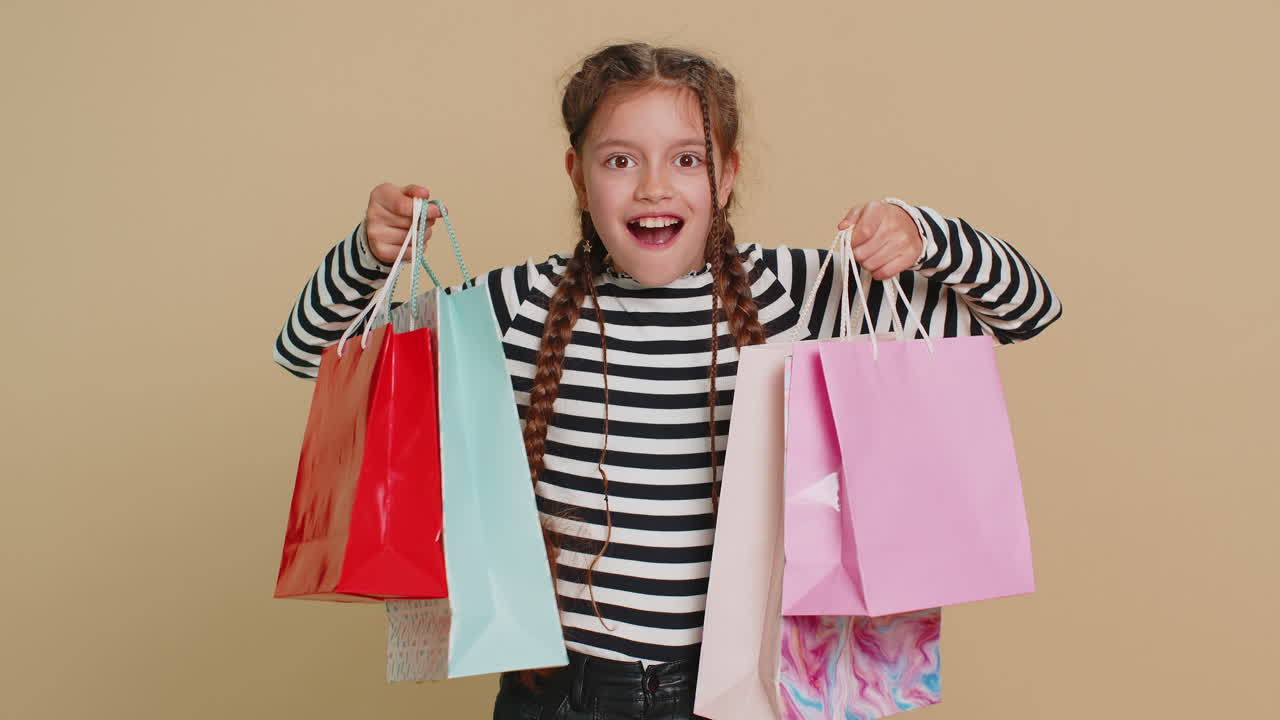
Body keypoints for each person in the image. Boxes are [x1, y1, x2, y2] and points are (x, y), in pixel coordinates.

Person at [272, 42, 1061, 720]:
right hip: (562, 696)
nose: (654, 186)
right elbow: (310, 351)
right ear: (579, 177)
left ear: (727, 175)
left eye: (687, 159)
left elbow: (1028, 310)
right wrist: (368, 255)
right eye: (620, 160)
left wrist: (928, 236)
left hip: (749, 693)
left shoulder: (804, 293)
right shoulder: (517, 305)